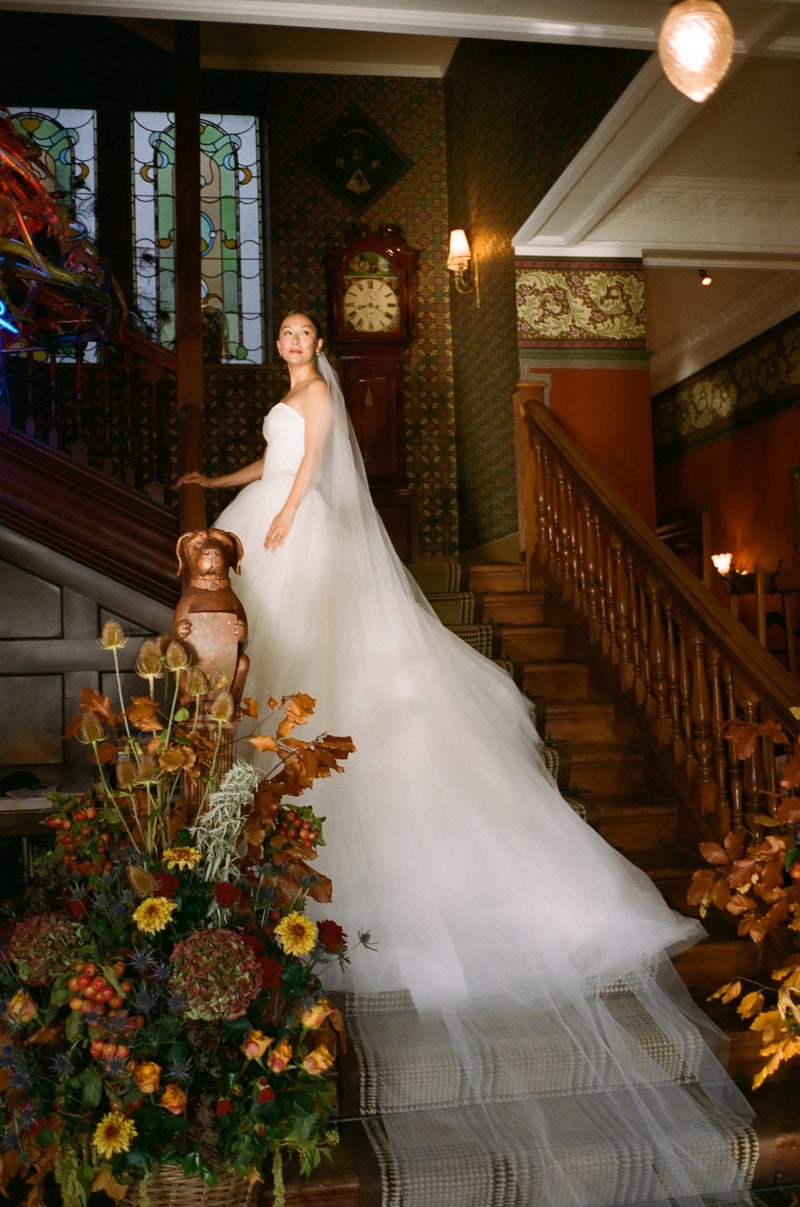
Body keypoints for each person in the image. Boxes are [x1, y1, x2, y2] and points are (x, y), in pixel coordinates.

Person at [178, 311, 755, 1206]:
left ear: (314, 343)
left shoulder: (323, 392)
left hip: (304, 526)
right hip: (268, 512)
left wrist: (286, 518)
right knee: (270, 665)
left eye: (300, 332)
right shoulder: (284, 395)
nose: (292, 343)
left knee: (321, 664)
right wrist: (222, 479)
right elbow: (271, 462)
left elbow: (313, 471)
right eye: (285, 335)